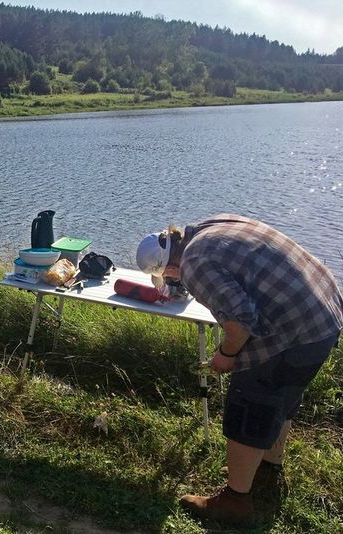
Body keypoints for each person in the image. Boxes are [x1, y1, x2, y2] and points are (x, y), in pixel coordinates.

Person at [136, 213, 343, 527]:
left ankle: (235, 501)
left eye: (170, 276)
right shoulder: (211, 224)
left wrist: (225, 355)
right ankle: (267, 469)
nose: (176, 281)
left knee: (249, 402)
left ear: (170, 269)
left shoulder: (193, 265)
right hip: (324, 311)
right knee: (282, 396)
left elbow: (242, 321)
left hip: (295, 326)